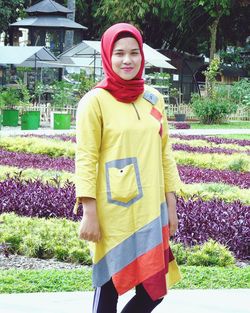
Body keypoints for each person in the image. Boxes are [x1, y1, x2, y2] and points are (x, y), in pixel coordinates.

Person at [74, 22, 181, 313]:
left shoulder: (153, 98)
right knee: (107, 292)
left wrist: (171, 207)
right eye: (119, 53)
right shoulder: (94, 102)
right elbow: (86, 158)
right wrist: (89, 213)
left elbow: (165, 154)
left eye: (134, 53)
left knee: (154, 291)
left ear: (142, 56)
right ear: (108, 56)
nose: (127, 60)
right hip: (113, 215)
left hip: (151, 209)